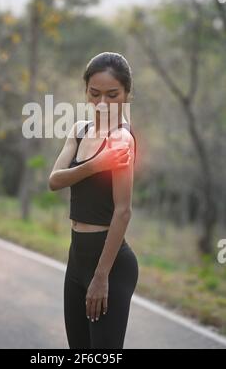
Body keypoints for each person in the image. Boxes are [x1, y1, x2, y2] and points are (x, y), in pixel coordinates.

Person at [49, 52, 139, 349]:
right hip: (77, 260)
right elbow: (54, 180)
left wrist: (101, 276)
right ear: (86, 90)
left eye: (112, 95)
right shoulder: (80, 130)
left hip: (110, 265)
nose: (102, 104)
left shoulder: (122, 139)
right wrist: (95, 165)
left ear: (127, 94)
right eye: (94, 94)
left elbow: (123, 212)